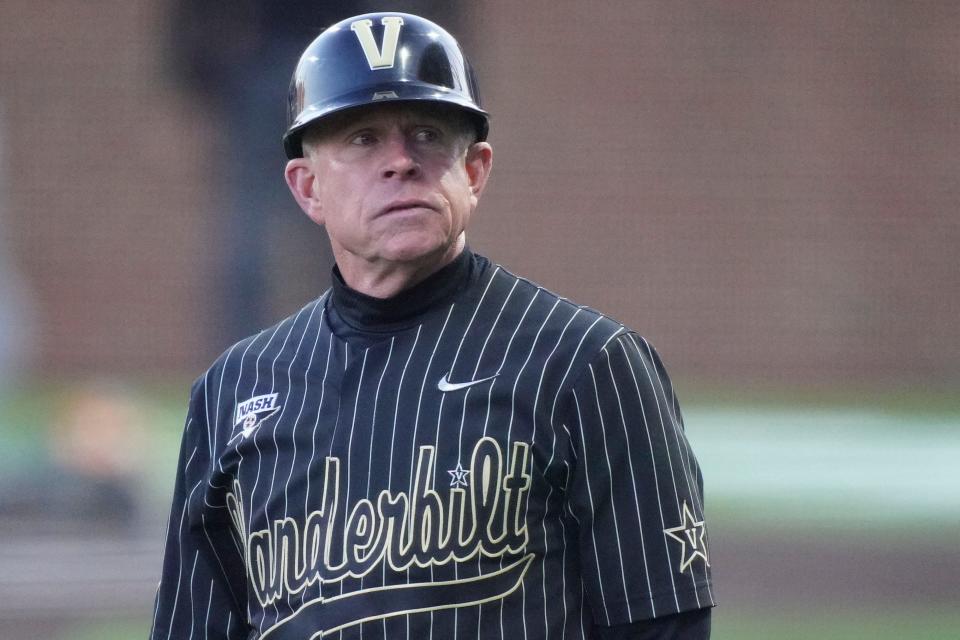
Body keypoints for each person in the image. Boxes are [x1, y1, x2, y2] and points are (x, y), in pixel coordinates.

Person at [150, 12, 714, 640]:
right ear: (307, 188)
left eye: (426, 133)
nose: (400, 161)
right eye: (362, 138)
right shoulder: (234, 390)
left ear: (473, 170)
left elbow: (664, 626)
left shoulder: (588, 365)